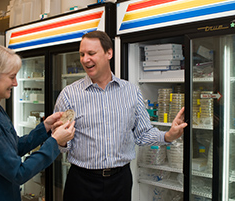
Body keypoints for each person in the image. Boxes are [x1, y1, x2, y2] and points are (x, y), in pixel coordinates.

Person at [53, 30, 187, 201]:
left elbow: (143, 133)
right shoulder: (69, 95)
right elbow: (60, 145)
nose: (85, 59)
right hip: (82, 182)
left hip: (120, 181)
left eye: (91, 53)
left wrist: (168, 135)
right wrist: (62, 139)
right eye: (82, 54)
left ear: (109, 53)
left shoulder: (130, 91)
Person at [0, 44, 75, 201]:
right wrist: (54, 142)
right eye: (12, 77)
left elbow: (15, 147)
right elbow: (19, 173)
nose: (16, 83)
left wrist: (45, 127)